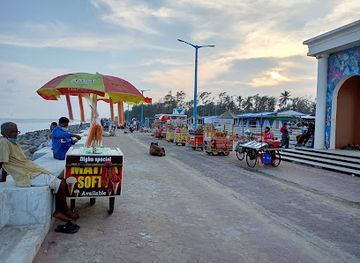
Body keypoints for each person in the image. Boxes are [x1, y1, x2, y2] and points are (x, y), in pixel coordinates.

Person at [0, 122, 78, 222]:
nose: (15, 134)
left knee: (61, 180)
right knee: (61, 184)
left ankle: (62, 210)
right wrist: (2, 177)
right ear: (3, 133)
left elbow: (6, 162)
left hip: (31, 170)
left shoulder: (11, 142)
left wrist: (3, 178)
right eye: (12, 132)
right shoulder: (3, 143)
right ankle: (62, 211)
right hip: (26, 176)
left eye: (16, 131)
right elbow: (2, 162)